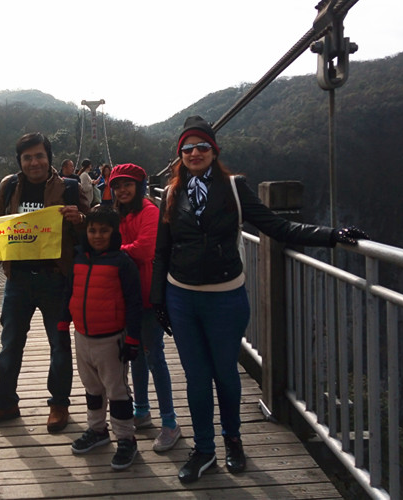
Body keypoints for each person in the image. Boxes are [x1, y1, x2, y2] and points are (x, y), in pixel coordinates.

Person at [150, 116, 369, 484]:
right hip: (182, 298)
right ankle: (204, 450)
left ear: (214, 151)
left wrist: (332, 235)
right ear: (180, 156)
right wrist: (158, 300)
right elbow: (162, 251)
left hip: (224, 297)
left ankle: (232, 439)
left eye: (202, 146)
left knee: (225, 374)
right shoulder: (173, 194)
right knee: (197, 378)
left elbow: (278, 227)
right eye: (187, 148)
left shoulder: (234, 189)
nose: (195, 153)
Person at [0, 132, 90, 432]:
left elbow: (92, 227)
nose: (34, 162)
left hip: (55, 279)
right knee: (10, 344)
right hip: (17, 279)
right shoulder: (9, 186)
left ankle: (59, 404)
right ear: (20, 161)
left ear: (49, 158)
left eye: (39, 156)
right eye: (27, 157)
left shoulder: (69, 187)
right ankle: (4, 402)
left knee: (58, 345)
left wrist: (80, 220)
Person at [60, 206, 143, 470]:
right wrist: (63, 323)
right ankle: (97, 430)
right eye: (92, 230)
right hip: (82, 337)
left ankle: (126, 439)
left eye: (104, 231)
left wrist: (133, 340)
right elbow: (68, 292)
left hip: (111, 340)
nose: (97, 236)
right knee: (92, 390)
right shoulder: (78, 259)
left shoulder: (122, 262)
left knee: (117, 392)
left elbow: (134, 302)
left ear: (114, 233)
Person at [108, 163, 182, 452]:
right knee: (135, 354)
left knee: (154, 358)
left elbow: (144, 248)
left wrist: (114, 251)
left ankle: (170, 422)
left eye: (128, 184)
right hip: (127, 297)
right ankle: (141, 410)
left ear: (140, 186)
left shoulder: (150, 211)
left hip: (149, 298)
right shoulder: (119, 215)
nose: (122, 190)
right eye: (117, 185)